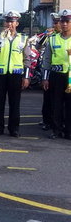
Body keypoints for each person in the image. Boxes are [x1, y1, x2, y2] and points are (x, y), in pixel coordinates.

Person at [0, 11, 31, 137]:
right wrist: (2, 38)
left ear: (17, 23)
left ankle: (14, 129)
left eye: (12, 22)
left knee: (15, 103)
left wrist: (26, 76)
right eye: (7, 21)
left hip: (16, 74)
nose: (9, 24)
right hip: (0, 74)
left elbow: (27, 59)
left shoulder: (23, 38)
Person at [41, 9, 71, 140]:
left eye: (67, 21)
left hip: (70, 76)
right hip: (56, 75)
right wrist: (45, 78)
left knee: (70, 105)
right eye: (62, 21)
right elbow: (47, 60)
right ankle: (56, 129)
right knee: (56, 104)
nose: (64, 24)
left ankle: (68, 131)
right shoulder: (53, 40)